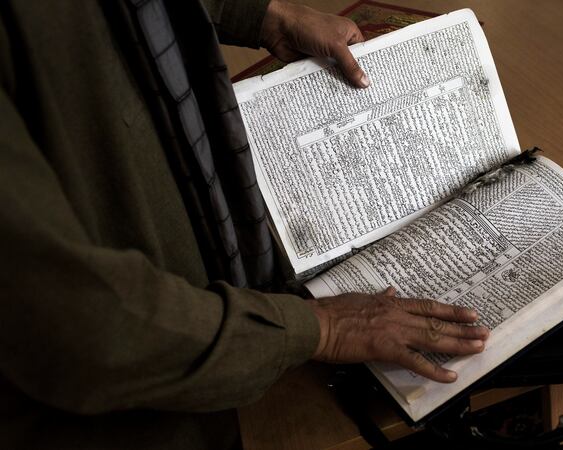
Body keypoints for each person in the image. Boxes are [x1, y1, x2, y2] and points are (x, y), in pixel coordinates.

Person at [0, 0, 489, 448]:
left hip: (221, 294)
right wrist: (319, 329)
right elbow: (75, 325)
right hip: (136, 407)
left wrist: (259, 14)